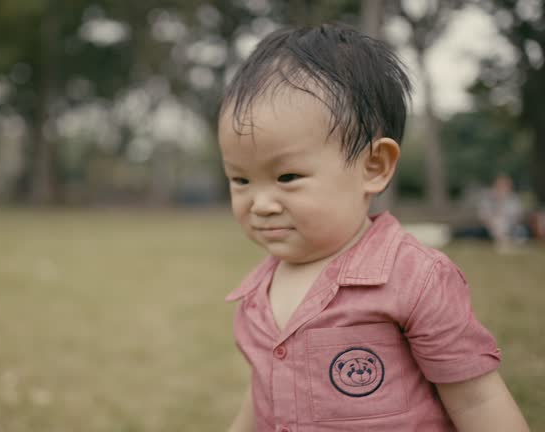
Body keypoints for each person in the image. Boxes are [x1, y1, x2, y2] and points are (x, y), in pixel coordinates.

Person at [217, 25, 529, 432]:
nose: (260, 204)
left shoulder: (414, 280)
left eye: (288, 176)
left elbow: (477, 401)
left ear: (374, 167)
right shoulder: (256, 293)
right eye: (240, 180)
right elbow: (264, 393)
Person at [477, 174, 525, 251]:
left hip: (510, 227)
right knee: (497, 223)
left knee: (519, 230)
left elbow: (516, 216)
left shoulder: (514, 199)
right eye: (499, 185)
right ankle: (502, 241)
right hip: (491, 228)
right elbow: (483, 216)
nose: (501, 188)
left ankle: (504, 240)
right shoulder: (487, 198)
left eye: (504, 186)